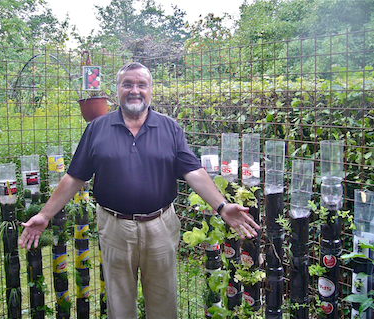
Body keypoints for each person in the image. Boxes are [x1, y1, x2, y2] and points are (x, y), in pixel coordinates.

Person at [19, 61, 260, 318]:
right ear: (118, 90)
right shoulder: (97, 129)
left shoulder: (170, 128)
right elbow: (74, 177)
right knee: (119, 303)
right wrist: (44, 215)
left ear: (150, 90)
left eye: (141, 85)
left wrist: (222, 206)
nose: (135, 90)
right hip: (114, 227)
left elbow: (194, 172)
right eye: (128, 84)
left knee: (163, 301)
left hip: (160, 226)